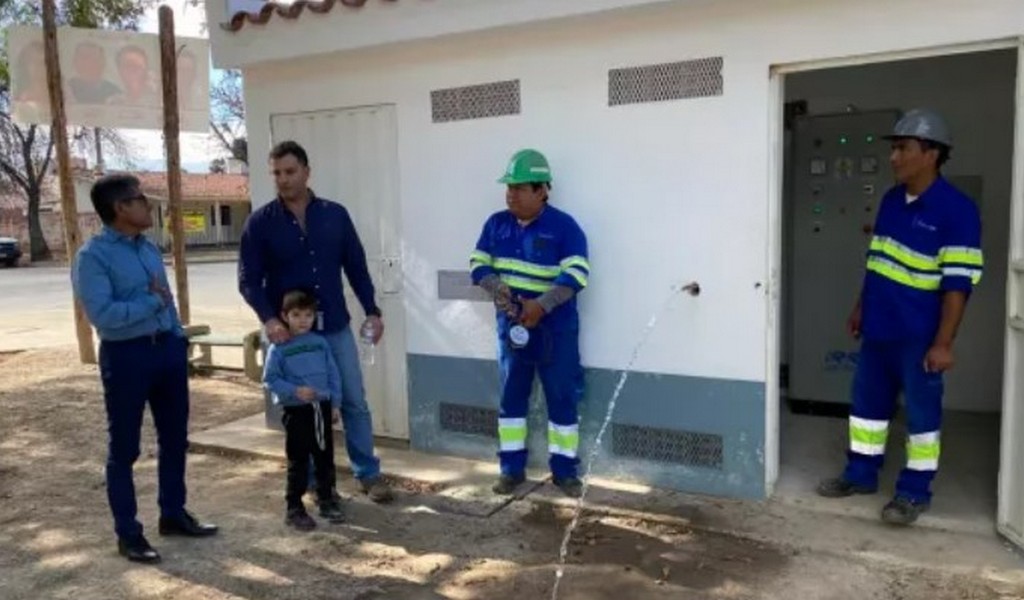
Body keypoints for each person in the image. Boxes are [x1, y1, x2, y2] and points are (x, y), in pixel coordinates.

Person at [816, 109, 984, 525]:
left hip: (919, 335)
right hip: (879, 328)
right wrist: (860, 307)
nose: (893, 158)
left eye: (902, 148)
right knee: (867, 409)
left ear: (931, 154)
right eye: (894, 149)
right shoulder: (892, 200)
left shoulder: (957, 211)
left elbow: (958, 285)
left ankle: (913, 493)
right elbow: (877, 263)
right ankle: (860, 475)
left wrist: (944, 343)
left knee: (922, 419)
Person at [72, 174, 218, 564]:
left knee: (174, 439)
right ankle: (129, 534)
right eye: (139, 199)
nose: (147, 205)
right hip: (127, 358)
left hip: (166, 352)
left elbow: (165, 297)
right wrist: (152, 307)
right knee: (124, 449)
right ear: (120, 208)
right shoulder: (93, 257)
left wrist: (176, 336)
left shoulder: (148, 248)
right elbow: (102, 315)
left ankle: (173, 513)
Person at [238, 140, 394, 504]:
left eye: (290, 172)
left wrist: (372, 309)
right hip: (291, 336)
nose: (283, 179)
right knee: (301, 408)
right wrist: (270, 319)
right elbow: (248, 280)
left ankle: (368, 474)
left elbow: (355, 265)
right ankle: (311, 479)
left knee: (353, 400)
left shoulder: (335, 215)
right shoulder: (260, 224)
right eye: (276, 173)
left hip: (335, 326)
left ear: (307, 172)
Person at [469, 149, 590, 498]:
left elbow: (577, 273)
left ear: (542, 191)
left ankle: (565, 472)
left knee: (561, 397)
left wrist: (543, 304)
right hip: (512, 327)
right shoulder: (496, 224)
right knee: (511, 398)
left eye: (520, 188)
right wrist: (498, 290)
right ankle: (510, 470)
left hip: (556, 329)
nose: (511, 194)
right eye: (508, 187)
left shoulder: (564, 226)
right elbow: (478, 262)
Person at [263, 289, 346, 530]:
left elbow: (333, 375)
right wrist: (294, 390)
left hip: (321, 409)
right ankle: (294, 508)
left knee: (324, 456)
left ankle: (327, 499)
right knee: (298, 460)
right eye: (296, 315)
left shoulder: (320, 343)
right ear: (284, 316)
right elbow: (270, 379)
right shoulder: (279, 348)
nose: (303, 320)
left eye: (308, 315)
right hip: (297, 411)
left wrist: (335, 404)